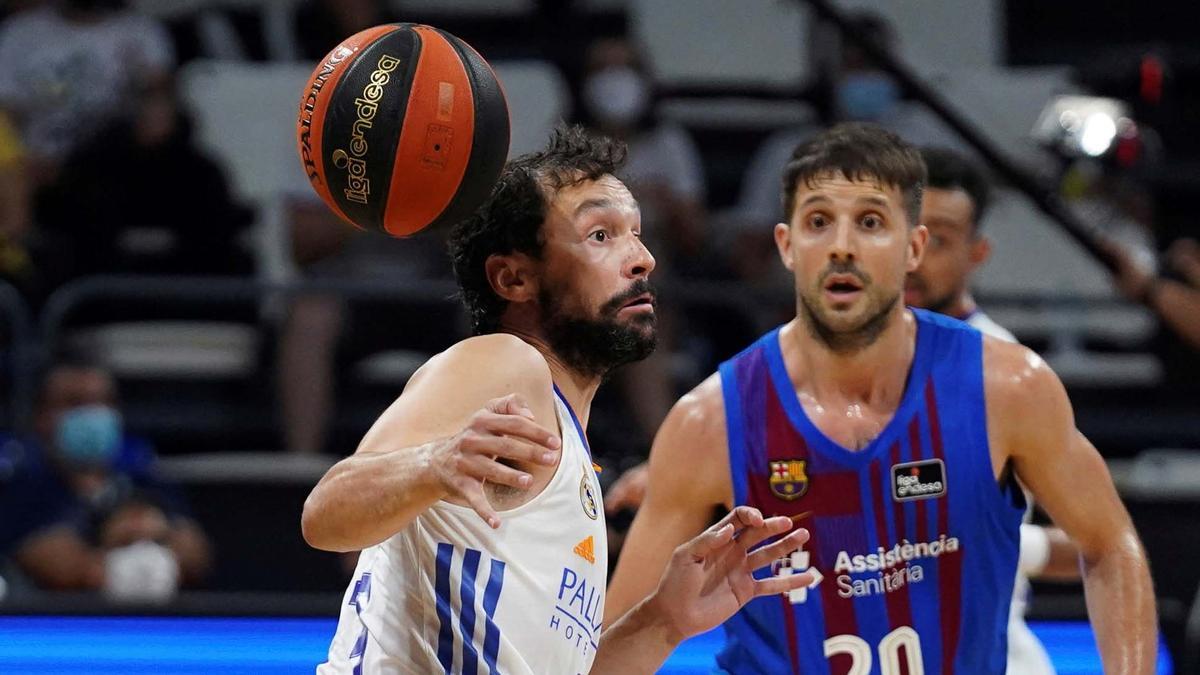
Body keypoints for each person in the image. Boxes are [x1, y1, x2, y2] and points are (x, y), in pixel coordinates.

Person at [605, 123, 1156, 673]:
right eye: (819, 222)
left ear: (913, 246)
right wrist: (666, 621)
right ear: (787, 245)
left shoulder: (1009, 387)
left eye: (870, 222)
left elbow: (1110, 544)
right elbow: (610, 644)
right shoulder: (710, 421)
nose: (842, 246)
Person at [300, 127, 814, 674]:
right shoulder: (504, 363)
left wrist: (663, 621)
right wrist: (434, 463)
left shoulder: (572, 457)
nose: (642, 259)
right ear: (514, 278)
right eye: (600, 235)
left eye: (637, 234)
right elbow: (325, 515)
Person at [905, 146, 1082, 674]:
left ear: (977, 251)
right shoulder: (831, 360)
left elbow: (1093, 542)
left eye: (938, 239)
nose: (915, 255)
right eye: (905, 234)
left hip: (990, 653)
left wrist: (1006, 543)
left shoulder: (1006, 374)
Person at [0, 362, 211, 600]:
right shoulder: (22, 484)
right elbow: (51, 562)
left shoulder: (143, 476)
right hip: (56, 626)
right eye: (75, 402)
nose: (92, 415)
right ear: (42, 416)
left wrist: (149, 550)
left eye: (103, 402)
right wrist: (124, 549)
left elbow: (194, 550)